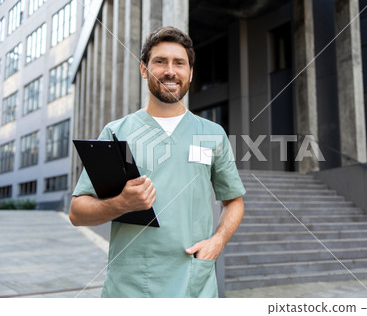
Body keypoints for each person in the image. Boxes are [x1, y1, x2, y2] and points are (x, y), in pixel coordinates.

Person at [69, 26, 245, 298]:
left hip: (192, 283)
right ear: (144, 69)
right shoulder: (117, 133)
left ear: (190, 72)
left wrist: (217, 242)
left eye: (179, 63)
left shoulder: (212, 134)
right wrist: (120, 204)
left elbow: (233, 201)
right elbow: (77, 212)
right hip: (131, 287)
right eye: (160, 61)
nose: (170, 71)